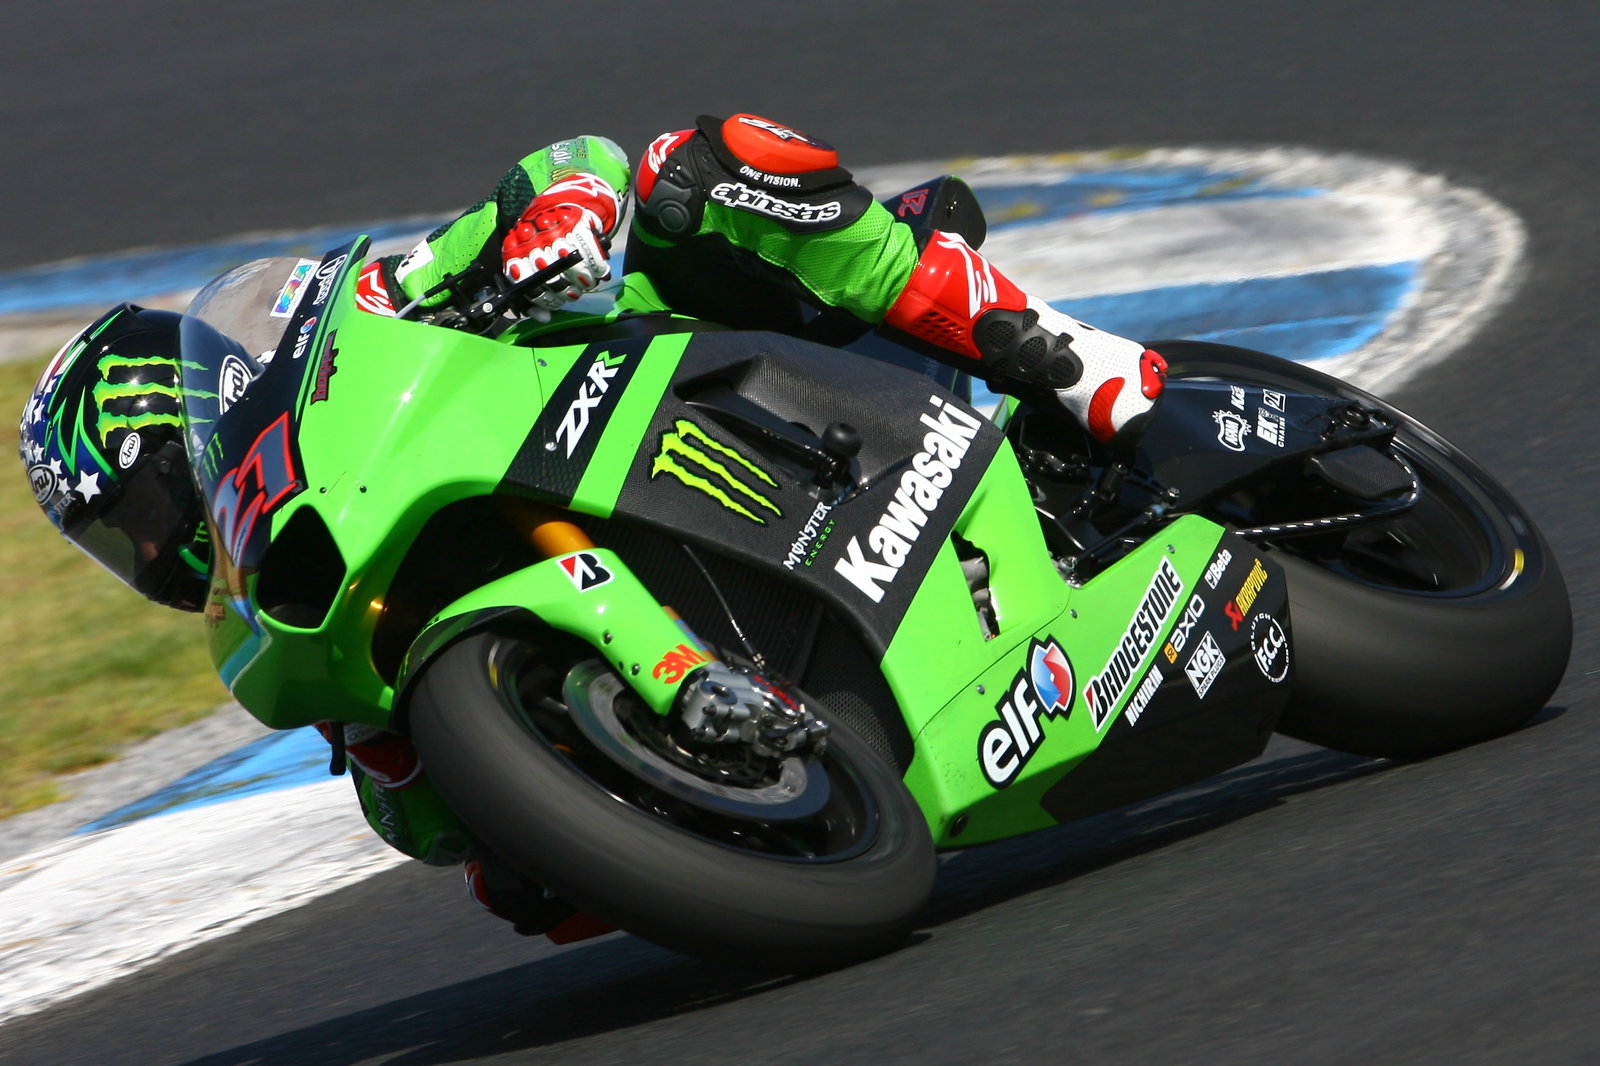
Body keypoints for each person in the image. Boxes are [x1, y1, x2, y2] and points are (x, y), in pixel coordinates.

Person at [20, 114, 1166, 938]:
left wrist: (554, 222)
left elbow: (577, 161)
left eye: (139, 512)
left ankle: (1065, 356)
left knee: (698, 170)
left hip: (710, 366)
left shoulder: (370, 307)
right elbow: (447, 845)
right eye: (117, 548)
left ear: (193, 412)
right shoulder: (307, 630)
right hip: (731, 633)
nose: (151, 554)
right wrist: (480, 808)